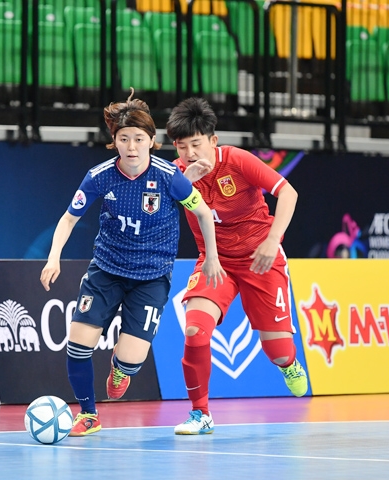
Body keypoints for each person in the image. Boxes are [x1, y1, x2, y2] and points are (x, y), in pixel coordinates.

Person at [39, 90, 226, 437]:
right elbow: (67, 220)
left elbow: (202, 211)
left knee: (130, 361)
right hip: (106, 271)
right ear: (114, 142)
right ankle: (89, 415)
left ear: (152, 142)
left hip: (151, 278)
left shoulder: (170, 176)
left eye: (139, 139)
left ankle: (121, 368)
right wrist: (54, 259)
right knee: (78, 344)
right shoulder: (99, 176)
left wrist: (211, 256)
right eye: (124, 139)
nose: (132, 146)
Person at [165, 97, 308, 435]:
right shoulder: (176, 173)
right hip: (215, 261)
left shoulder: (238, 160)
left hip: (261, 258)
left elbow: (289, 193)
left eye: (196, 144)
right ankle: (201, 414)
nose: (189, 153)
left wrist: (273, 241)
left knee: (278, 351)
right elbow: (159, 208)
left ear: (213, 141)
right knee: (195, 331)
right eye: (182, 147)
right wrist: (186, 181)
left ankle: (287, 363)